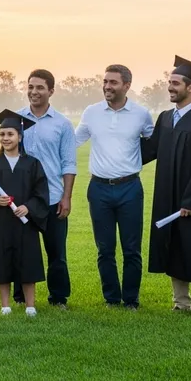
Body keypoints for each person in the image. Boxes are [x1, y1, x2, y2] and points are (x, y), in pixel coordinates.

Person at [141, 57, 191, 314]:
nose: (170, 87)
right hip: (167, 195)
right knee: (173, 245)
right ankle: (180, 302)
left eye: (176, 83)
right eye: (169, 83)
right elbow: (149, 150)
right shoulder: (165, 118)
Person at [75, 65, 154, 310]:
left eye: (113, 82)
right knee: (105, 248)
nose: (107, 86)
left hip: (130, 188)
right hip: (98, 189)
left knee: (132, 249)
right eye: (105, 81)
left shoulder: (141, 114)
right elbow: (73, 141)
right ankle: (111, 298)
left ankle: (131, 300)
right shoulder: (91, 112)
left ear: (127, 86)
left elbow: (155, 144)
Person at [0, 110, 50, 317]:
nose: (5, 138)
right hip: (1, 221)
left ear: (20, 136)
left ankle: (30, 305)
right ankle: (5, 305)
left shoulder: (32, 163)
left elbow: (41, 192)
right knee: (2, 262)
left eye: (10, 134)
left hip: (24, 222)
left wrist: (29, 207)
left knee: (28, 262)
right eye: (2, 134)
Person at [14, 69, 77, 309]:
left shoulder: (62, 124)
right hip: (24, 200)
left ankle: (58, 297)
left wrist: (66, 197)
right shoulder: (16, 119)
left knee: (56, 253)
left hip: (52, 198)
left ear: (51, 91)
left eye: (40, 87)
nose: (34, 92)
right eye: (30, 86)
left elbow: (69, 163)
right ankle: (20, 297)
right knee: (22, 250)